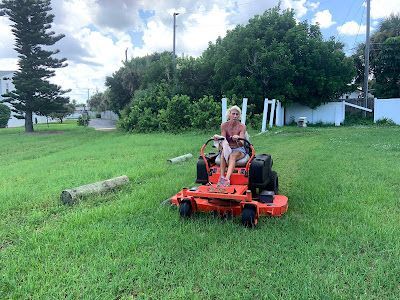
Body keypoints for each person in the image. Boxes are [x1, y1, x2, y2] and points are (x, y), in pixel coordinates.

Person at [213, 105, 247, 187]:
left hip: (239, 148)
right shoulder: (224, 125)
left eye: (237, 114)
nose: (235, 116)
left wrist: (238, 139)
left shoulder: (242, 126)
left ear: (239, 116)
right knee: (223, 154)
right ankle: (221, 177)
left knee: (232, 155)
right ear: (229, 114)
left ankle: (226, 179)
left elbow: (242, 143)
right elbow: (223, 140)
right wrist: (218, 139)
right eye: (233, 114)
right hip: (228, 148)